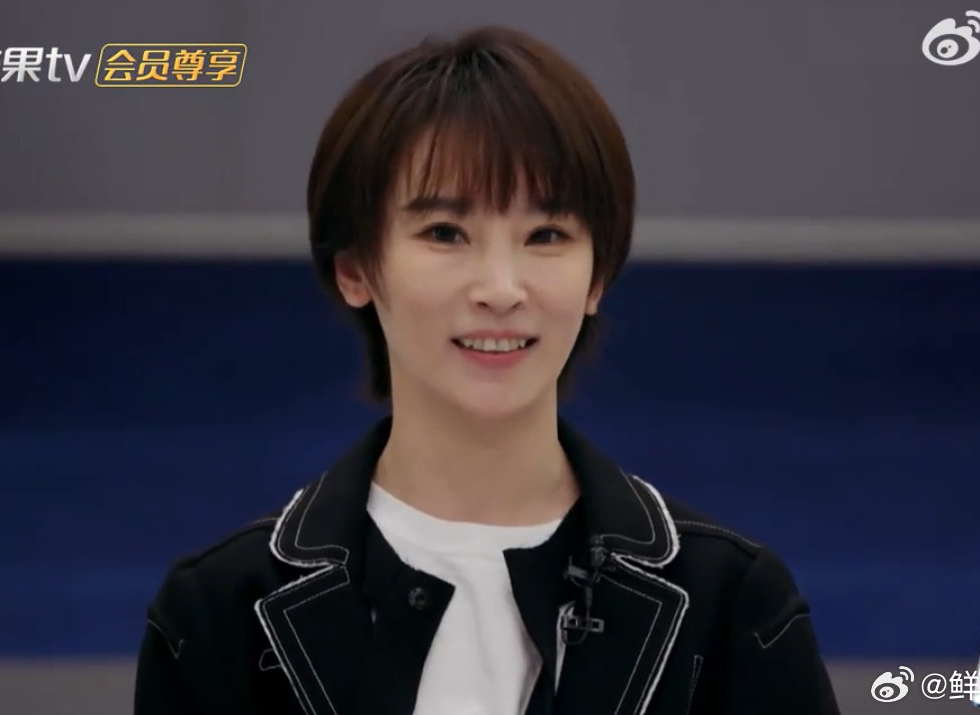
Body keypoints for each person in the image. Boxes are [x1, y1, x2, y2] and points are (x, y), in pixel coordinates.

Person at [133, 24, 841, 715]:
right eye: (445, 233)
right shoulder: (222, 611)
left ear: (597, 275)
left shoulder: (729, 604)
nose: (501, 288)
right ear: (355, 268)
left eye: (546, 235)